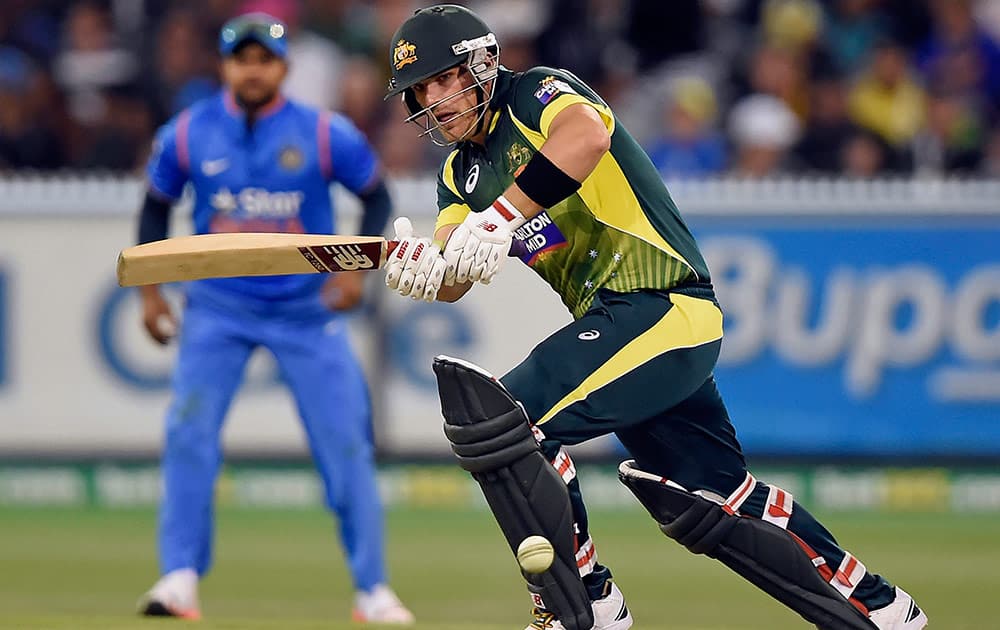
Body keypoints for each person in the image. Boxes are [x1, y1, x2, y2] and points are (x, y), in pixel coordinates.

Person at [381, 5, 928, 630]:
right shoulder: (457, 173)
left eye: (443, 79)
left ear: (479, 62)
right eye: (420, 91)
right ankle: (884, 609)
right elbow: (455, 270)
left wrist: (500, 218)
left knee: (508, 422)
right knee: (716, 497)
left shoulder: (534, 93)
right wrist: (425, 268)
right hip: (627, 330)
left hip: (663, 304)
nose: (434, 100)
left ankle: (585, 599)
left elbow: (587, 137)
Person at [133, 12, 413, 625]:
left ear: (283, 68)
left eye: (265, 59)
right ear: (225, 66)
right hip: (218, 310)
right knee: (188, 434)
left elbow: (377, 195)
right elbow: (155, 211)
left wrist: (354, 269)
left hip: (306, 313)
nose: (253, 69)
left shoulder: (322, 134)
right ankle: (178, 579)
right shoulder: (187, 133)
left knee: (345, 445)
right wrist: (151, 297)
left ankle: (373, 589)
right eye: (242, 58)